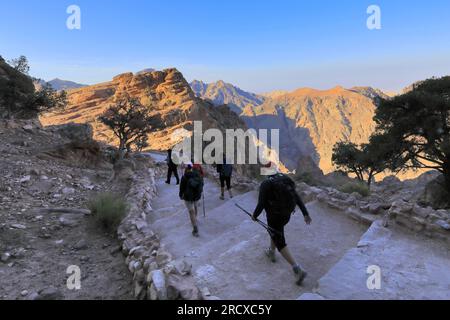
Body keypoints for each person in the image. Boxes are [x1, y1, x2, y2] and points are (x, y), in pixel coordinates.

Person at [252, 165, 312, 286]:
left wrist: (254, 215)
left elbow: (261, 203)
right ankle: (271, 252)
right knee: (275, 231)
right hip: (287, 215)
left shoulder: (266, 184)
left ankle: (297, 269)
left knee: (280, 241)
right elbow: (296, 197)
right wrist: (305, 213)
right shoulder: (285, 179)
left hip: (274, 216)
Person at [179, 162, 204, 237]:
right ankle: (195, 219)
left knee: (191, 211)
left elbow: (181, 188)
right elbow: (202, 184)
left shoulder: (185, 177)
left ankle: (195, 227)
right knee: (195, 207)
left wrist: (181, 195)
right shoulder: (198, 175)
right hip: (196, 196)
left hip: (188, 197)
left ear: (186, 168)